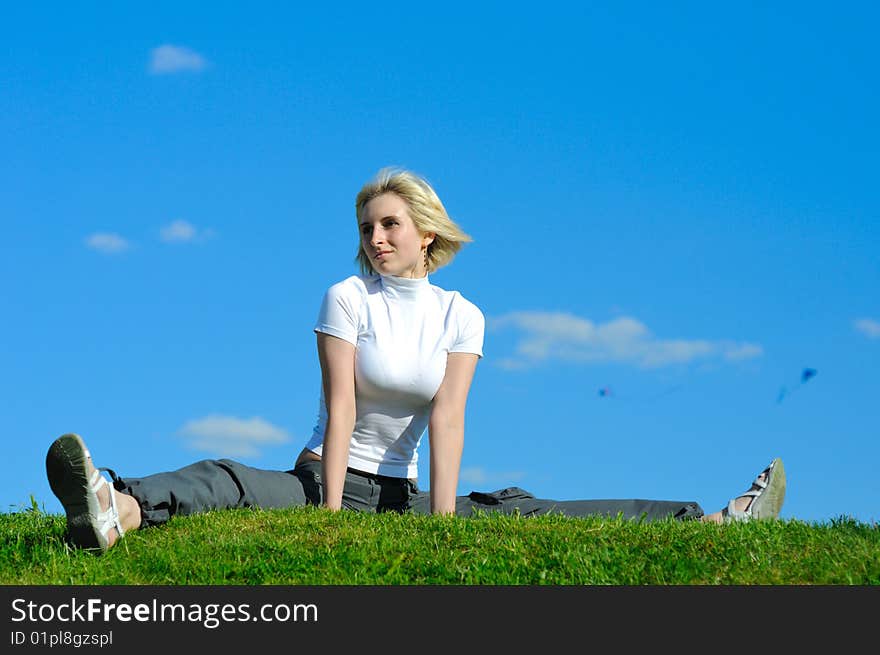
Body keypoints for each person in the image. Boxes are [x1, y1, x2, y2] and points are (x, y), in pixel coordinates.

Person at [45, 167, 786, 554]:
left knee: (525, 509)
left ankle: (713, 521)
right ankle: (116, 508)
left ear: (425, 233)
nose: (376, 237)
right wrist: (330, 517)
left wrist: (441, 525)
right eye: (367, 227)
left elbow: (449, 418)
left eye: (390, 224)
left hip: (406, 496)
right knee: (229, 478)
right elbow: (341, 408)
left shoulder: (462, 315)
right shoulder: (346, 297)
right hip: (325, 479)